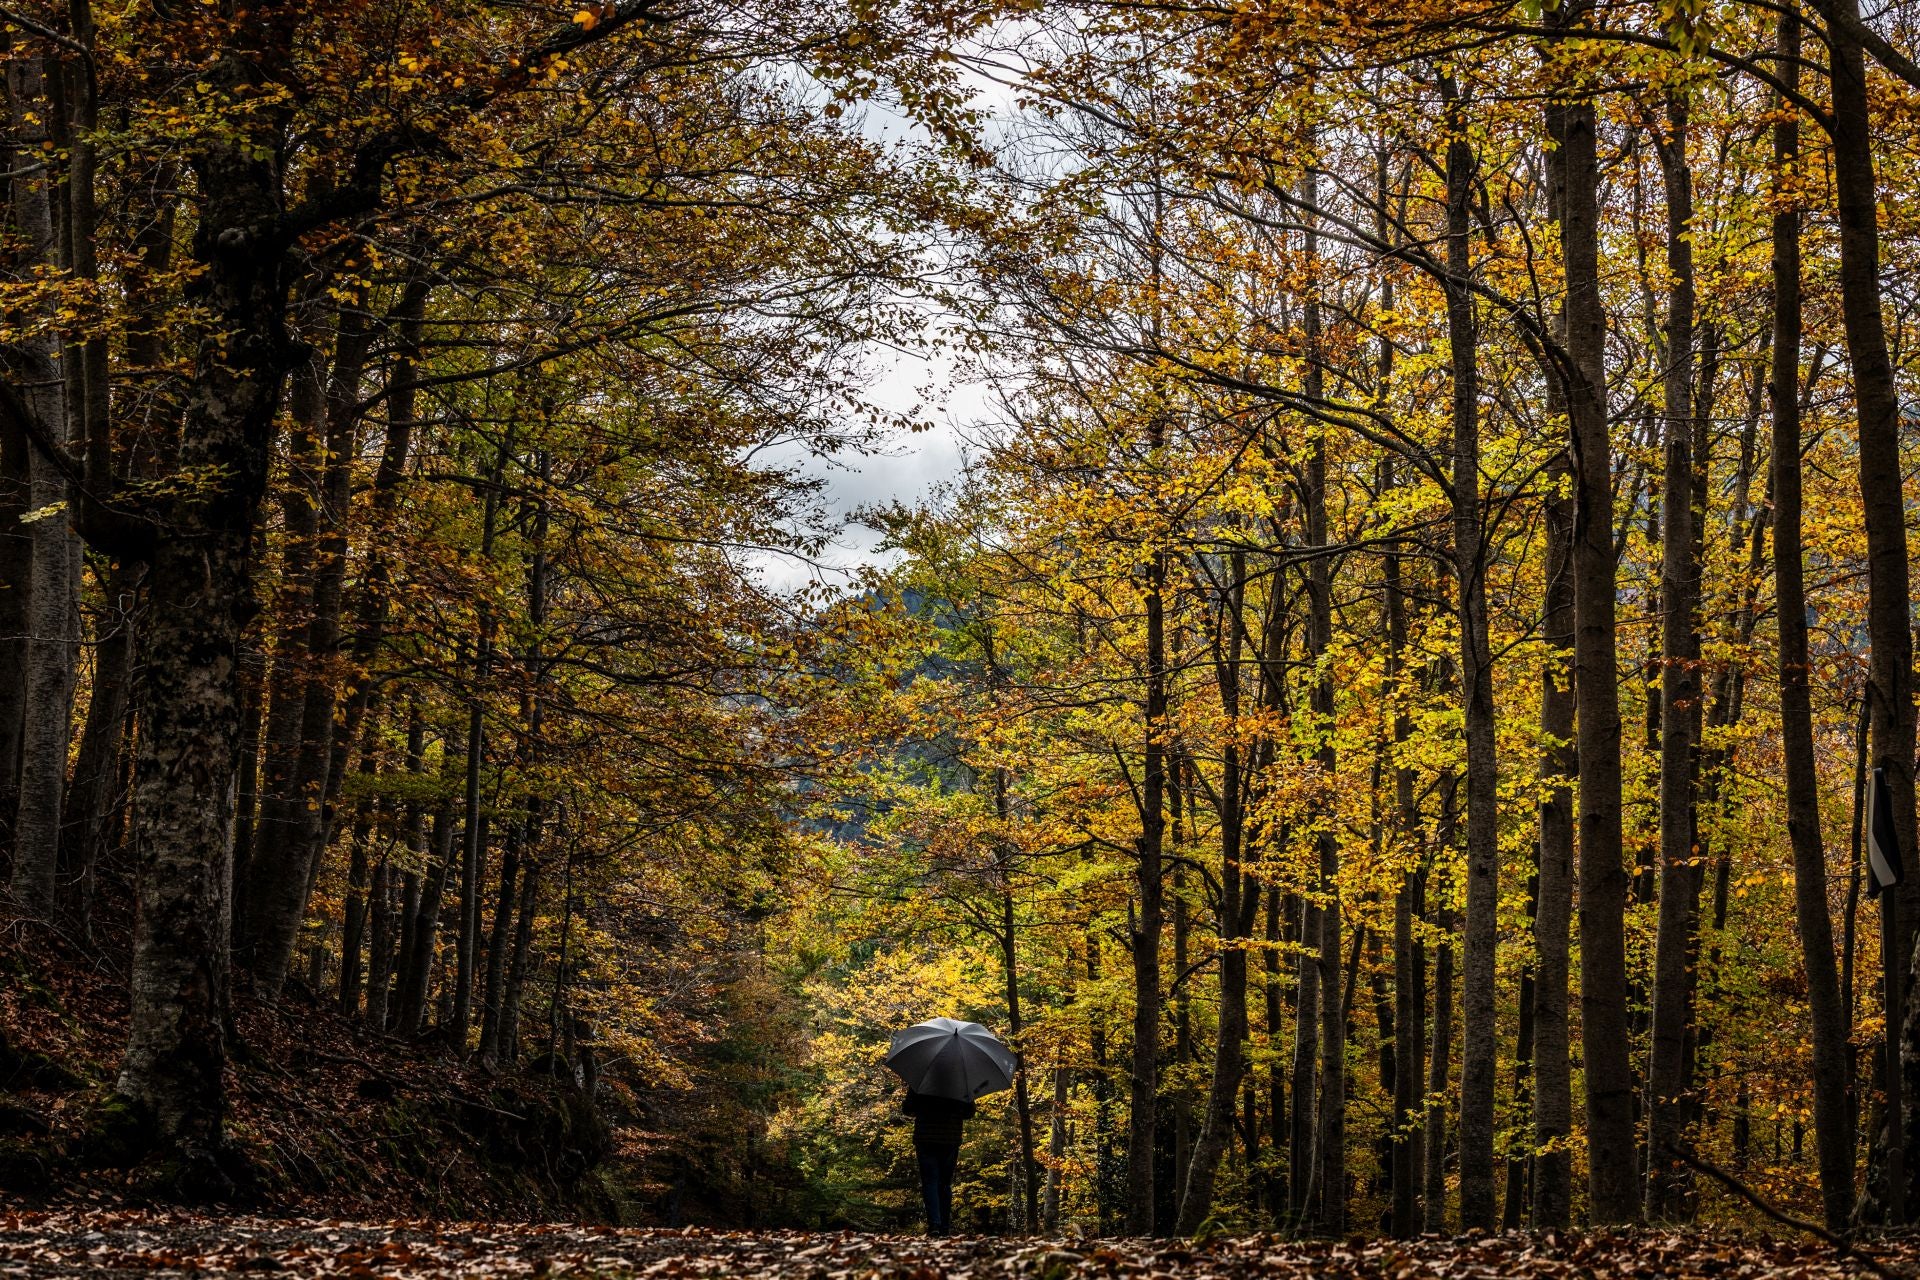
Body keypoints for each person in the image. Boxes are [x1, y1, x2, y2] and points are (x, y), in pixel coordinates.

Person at [903, 1087, 974, 1235]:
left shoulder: (921, 1082)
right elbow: (970, 1112)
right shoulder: (961, 1082)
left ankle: (934, 1225)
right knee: (945, 1184)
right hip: (950, 1138)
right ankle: (945, 1227)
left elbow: (907, 1108)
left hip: (926, 1138)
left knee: (930, 1182)